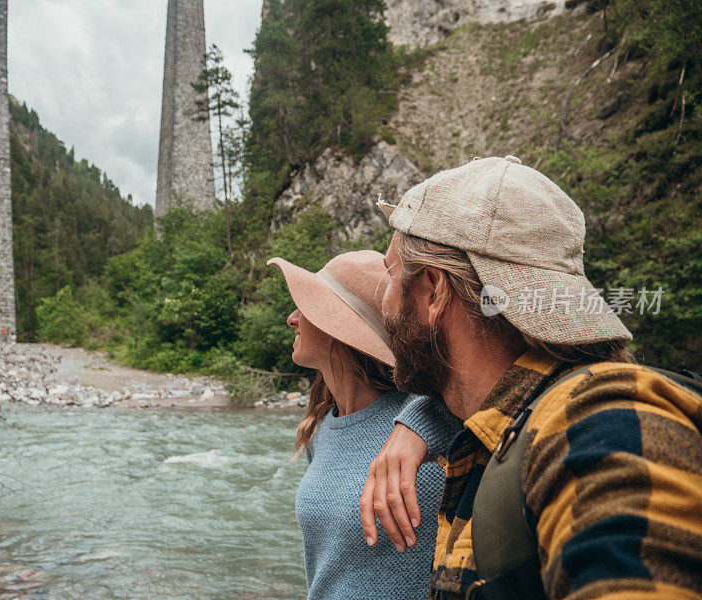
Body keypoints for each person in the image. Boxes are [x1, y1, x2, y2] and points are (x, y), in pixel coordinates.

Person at [358, 155, 702, 599]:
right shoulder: (500, 429)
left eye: (389, 274)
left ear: (434, 290)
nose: (381, 300)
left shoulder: (595, 417)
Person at [268, 250, 461, 600]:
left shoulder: (430, 423)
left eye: (306, 307)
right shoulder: (321, 429)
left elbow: (495, 409)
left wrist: (420, 423)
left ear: (340, 329)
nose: (291, 318)